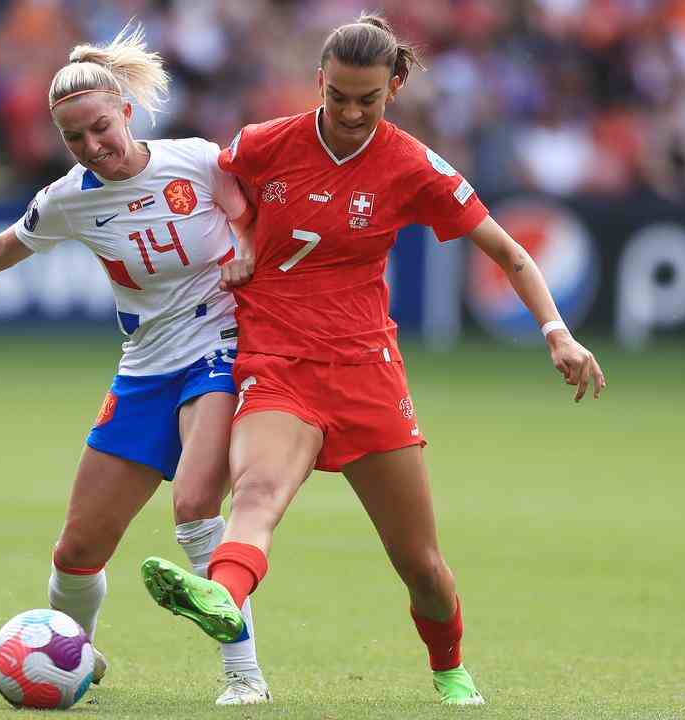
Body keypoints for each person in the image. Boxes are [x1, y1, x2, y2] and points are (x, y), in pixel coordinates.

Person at [140, 13, 607, 706]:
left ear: (395, 86)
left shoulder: (412, 166)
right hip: (278, 359)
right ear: (319, 82)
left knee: (420, 566)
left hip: (366, 372)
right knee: (259, 496)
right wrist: (240, 234)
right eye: (339, 97)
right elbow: (219, 187)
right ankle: (220, 595)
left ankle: (448, 664)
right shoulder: (266, 144)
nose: (353, 112)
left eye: (370, 99)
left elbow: (509, 252)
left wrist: (556, 332)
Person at [0, 23, 272, 706]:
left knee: (194, 504)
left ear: (126, 111)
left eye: (101, 127)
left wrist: (245, 245)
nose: (93, 145)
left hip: (219, 348)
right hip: (144, 370)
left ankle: (245, 678)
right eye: (76, 138)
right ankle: (75, 660)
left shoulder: (195, 160)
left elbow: (247, 208)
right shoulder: (71, 197)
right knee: (75, 553)